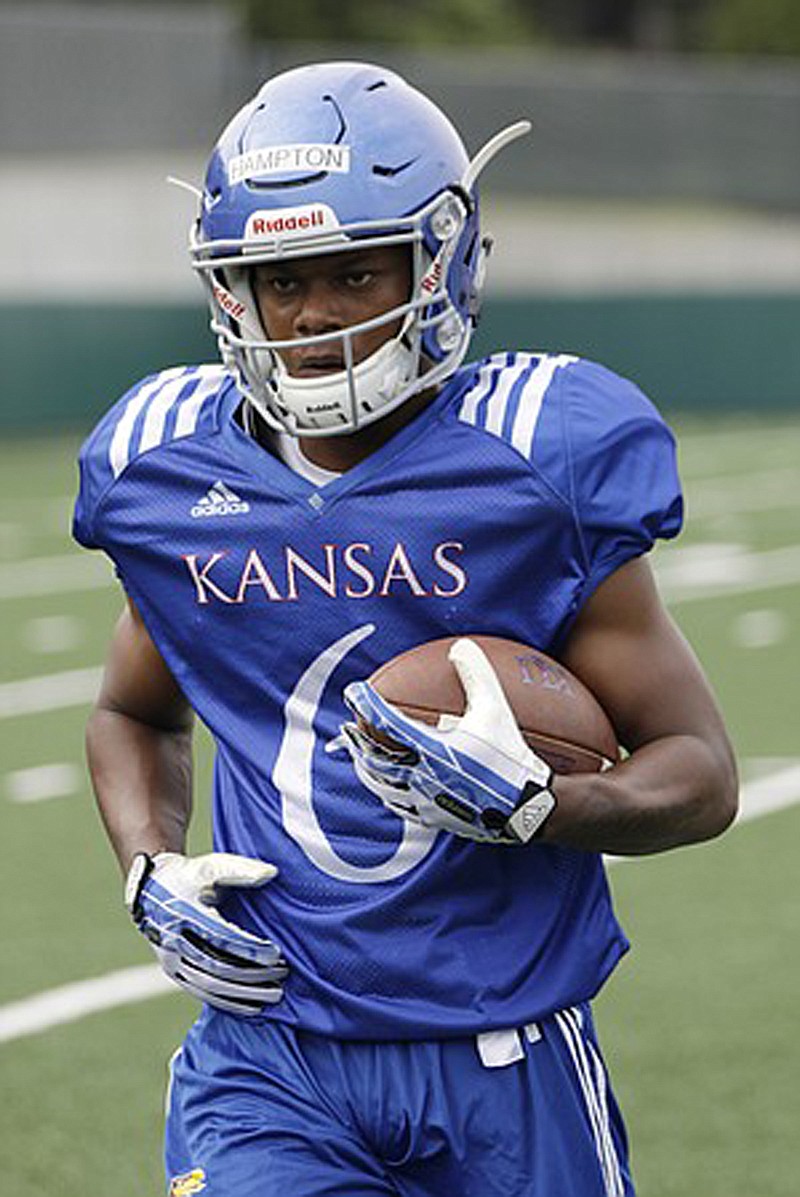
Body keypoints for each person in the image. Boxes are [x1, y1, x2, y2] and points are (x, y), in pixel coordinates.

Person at [73, 61, 738, 1197]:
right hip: (265, 1058)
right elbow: (132, 711)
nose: (317, 314)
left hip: (501, 1051)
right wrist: (148, 867)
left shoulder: (539, 457)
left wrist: (541, 807)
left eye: (353, 271)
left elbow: (702, 775)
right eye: (281, 281)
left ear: (442, 262)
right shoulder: (167, 466)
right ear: (232, 289)